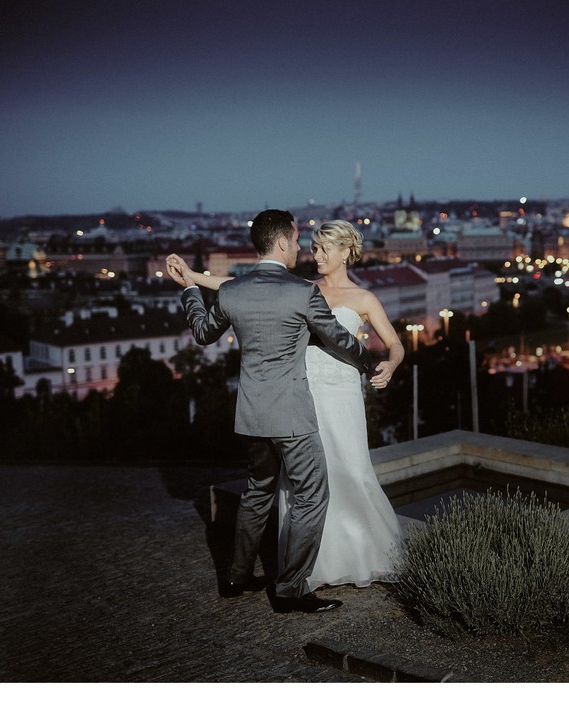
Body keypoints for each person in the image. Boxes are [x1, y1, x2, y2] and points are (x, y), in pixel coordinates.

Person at [169, 219, 405, 592]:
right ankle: (306, 572)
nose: (317, 254)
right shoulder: (302, 288)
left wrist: (389, 365)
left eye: (326, 248)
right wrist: (194, 277)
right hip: (303, 395)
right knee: (303, 488)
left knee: (350, 472)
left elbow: (395, 344)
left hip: (340, 396)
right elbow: (238, 290)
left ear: (347, 252)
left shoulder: (364, 299)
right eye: (314, 246)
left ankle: (358, 554)